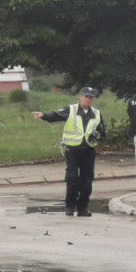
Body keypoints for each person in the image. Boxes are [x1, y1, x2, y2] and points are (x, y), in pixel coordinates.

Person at [32, 87, 105, 217]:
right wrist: (43, 115)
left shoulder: (96, 113)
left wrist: (98, 135)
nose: (88, 99)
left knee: (87, 181)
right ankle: (70, 206)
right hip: (72, 150)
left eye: (91, 97)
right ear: (81, 97)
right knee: (72, 178)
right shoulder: (71, 109)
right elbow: (56, 115)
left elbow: (103, 131)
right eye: (86, 97)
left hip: (88, 151)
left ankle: (82, 208)